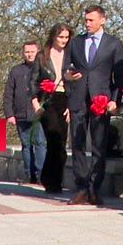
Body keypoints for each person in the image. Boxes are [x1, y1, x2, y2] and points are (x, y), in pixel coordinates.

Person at [65, 5, 123, 206]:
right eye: (86, 20)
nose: (87, 24)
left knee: (99, 145)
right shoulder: (76, 43)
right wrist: (68, 76)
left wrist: (114, 100)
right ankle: (81, 188)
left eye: (91, 20)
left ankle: (94, 188)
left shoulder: (113, 44)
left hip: (101, 100)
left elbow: (119, 76)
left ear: (102, 20)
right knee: (78, 144)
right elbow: (67, 68)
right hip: (79, 98)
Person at [32, 24, 72, 194]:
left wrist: (72, 106)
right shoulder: (42, 56)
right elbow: (33, 82)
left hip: (66, 99)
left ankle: (56, 180)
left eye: (66, 37)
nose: (63, 41)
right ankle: (49, 179)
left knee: (61, 142)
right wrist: (35, 104)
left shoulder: (71, 55)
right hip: (48, 100)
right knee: (53, 138)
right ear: (53, 37)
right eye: (60, 37)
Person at [4, 42, 45, 184]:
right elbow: (8, 93)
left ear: (37, 52)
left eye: (32, 51)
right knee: (26, 145)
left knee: (40, 143)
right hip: (20, 113)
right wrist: (9, 114)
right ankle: (29, 174)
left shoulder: (43, 70)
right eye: (27, 51)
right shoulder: (16, 71)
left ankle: (41, 174)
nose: (30, 54)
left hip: (38, 113)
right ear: (23, 53)